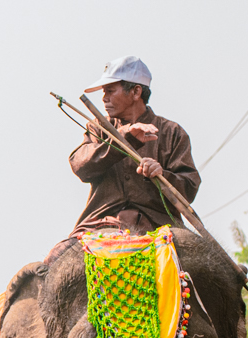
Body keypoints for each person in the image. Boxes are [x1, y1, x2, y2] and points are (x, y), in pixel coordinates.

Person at [69, 56, 201, 236]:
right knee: (54, 259)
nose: (104, 98)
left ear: (136, 92)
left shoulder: (172, 132)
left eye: (110, 91)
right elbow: (80, 166)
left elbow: (189, 188)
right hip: (99, 222)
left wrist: (161, 175)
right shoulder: (97, 128)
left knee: (205, 258)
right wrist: (124, 138)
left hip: (161, 225)